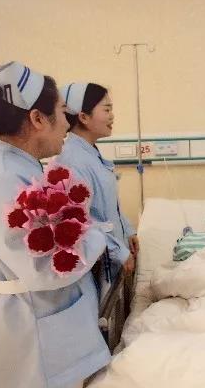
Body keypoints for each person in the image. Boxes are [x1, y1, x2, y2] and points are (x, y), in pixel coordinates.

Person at [0, 62, 128, 388]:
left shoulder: (22, 167)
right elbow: (46, 267)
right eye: (61, 112)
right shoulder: (5, 180)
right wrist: (97, 236)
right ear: (38, 119)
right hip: (34, 333)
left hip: (49, 323)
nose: (67, 123)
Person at [55, 82, 137, 304]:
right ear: (83, 117)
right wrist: (119, 251)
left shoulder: (89, 153)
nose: (112, 116)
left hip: (109, 253)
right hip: (97, 262)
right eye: (106, 109)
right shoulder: (73, 161)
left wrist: (127, 230)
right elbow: (81, 223)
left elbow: (106, 205)